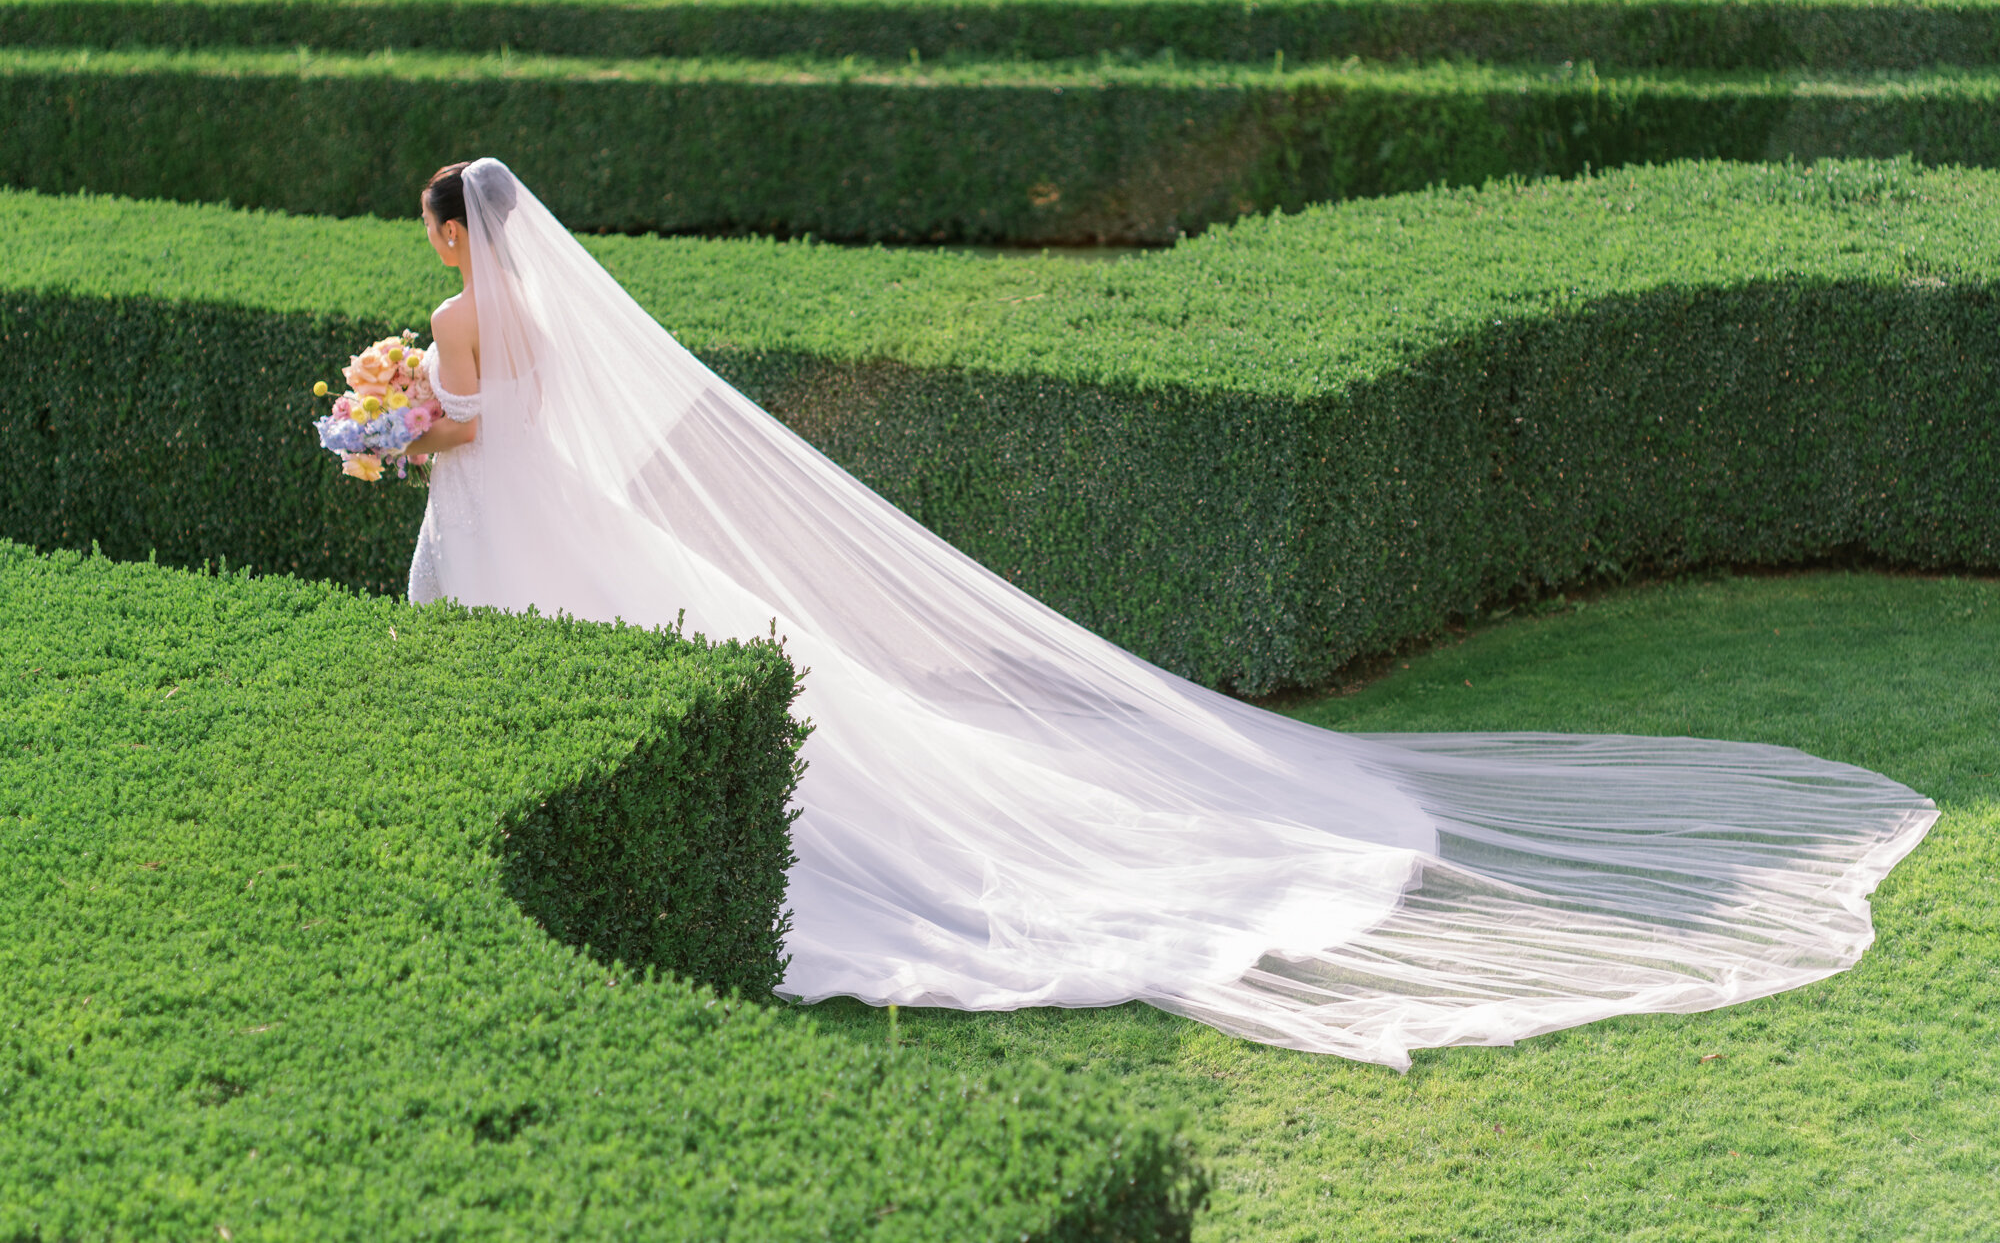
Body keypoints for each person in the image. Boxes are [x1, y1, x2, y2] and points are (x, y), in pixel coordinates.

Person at [402, 157, 1935, 1070]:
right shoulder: (544, 319)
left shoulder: (466, 318)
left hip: (516, 515)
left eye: (438, 234)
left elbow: (470, 427)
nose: (441, 255)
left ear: (458, 236)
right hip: (563, 516)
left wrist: (394, 427)